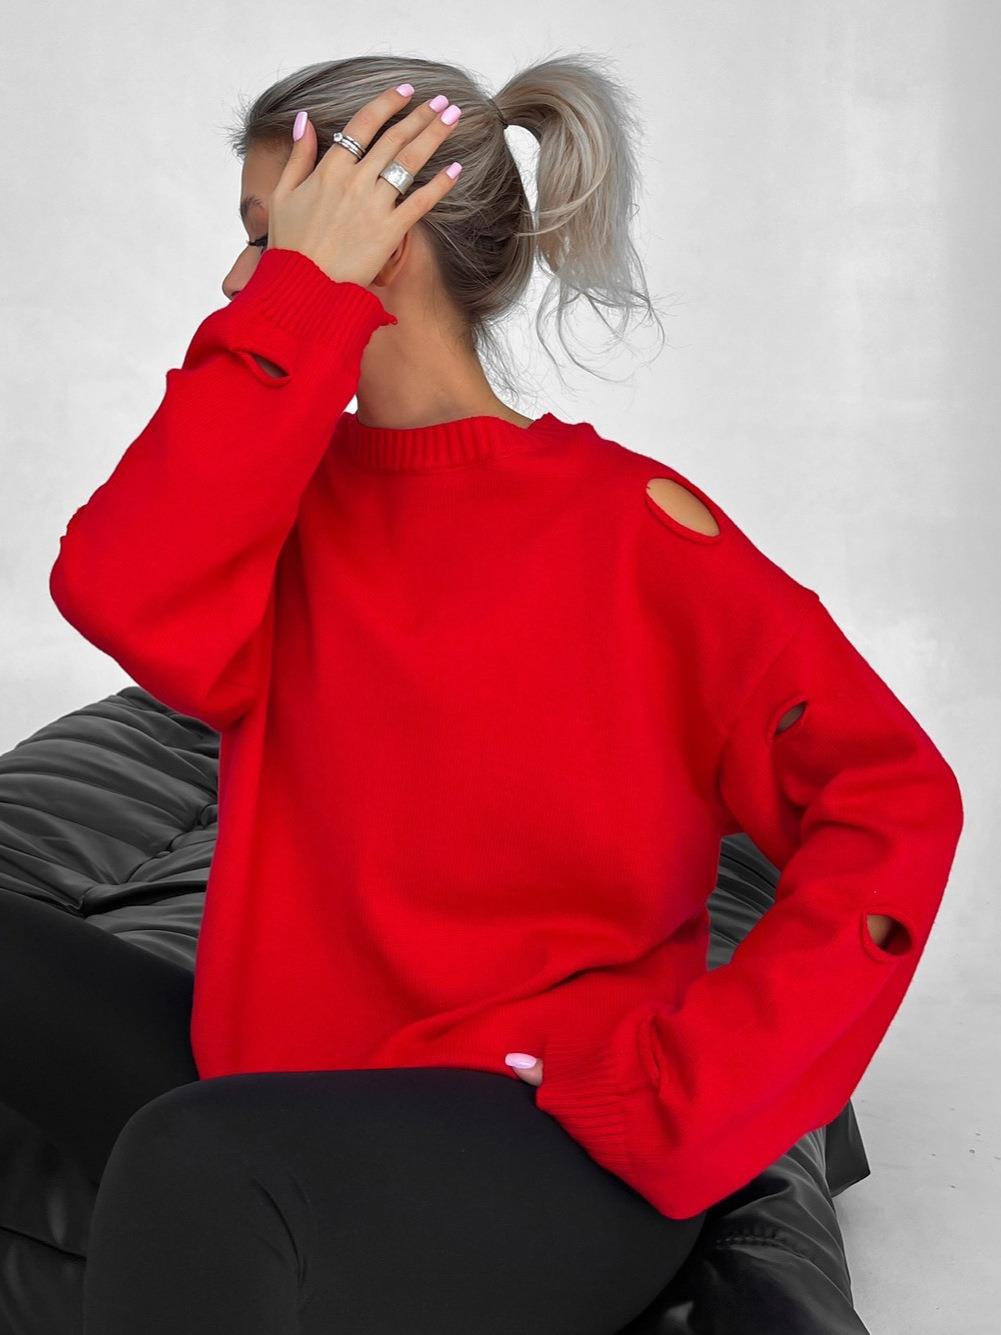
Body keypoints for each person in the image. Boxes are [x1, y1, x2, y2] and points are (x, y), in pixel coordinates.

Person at [39, 52, 962, 1335]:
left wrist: (693, 1089)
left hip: (538, 1146)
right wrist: (303, 305)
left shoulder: (634, 535)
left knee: (198, 1161)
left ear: (381, 232)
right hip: (284, 1090)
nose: (241, 281)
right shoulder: (281, 504)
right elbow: (119, 592)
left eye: (269, 235)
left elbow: (894, 799)